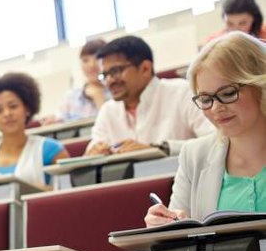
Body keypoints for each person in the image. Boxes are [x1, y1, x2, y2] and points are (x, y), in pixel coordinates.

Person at [146, 31, 266, 225]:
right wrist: (163, 227)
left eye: (227, 93)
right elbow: (178, 238)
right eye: (205, 99)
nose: (216, 108)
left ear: (261, 85)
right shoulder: (194, 155)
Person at [85, 35, 215, 157]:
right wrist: (95, 152)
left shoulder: (182, 92)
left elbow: (215, 141)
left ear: (145, 69)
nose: (109, 81)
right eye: (105, 75)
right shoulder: (108, 111)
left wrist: (160, 149)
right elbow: (92, 151)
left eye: (116, 71)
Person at [60, 38, 110, 121]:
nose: (92, 65)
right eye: (85, 60)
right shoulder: (70, 97)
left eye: (97, 59)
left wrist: (98, 97)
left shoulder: (116, 92)